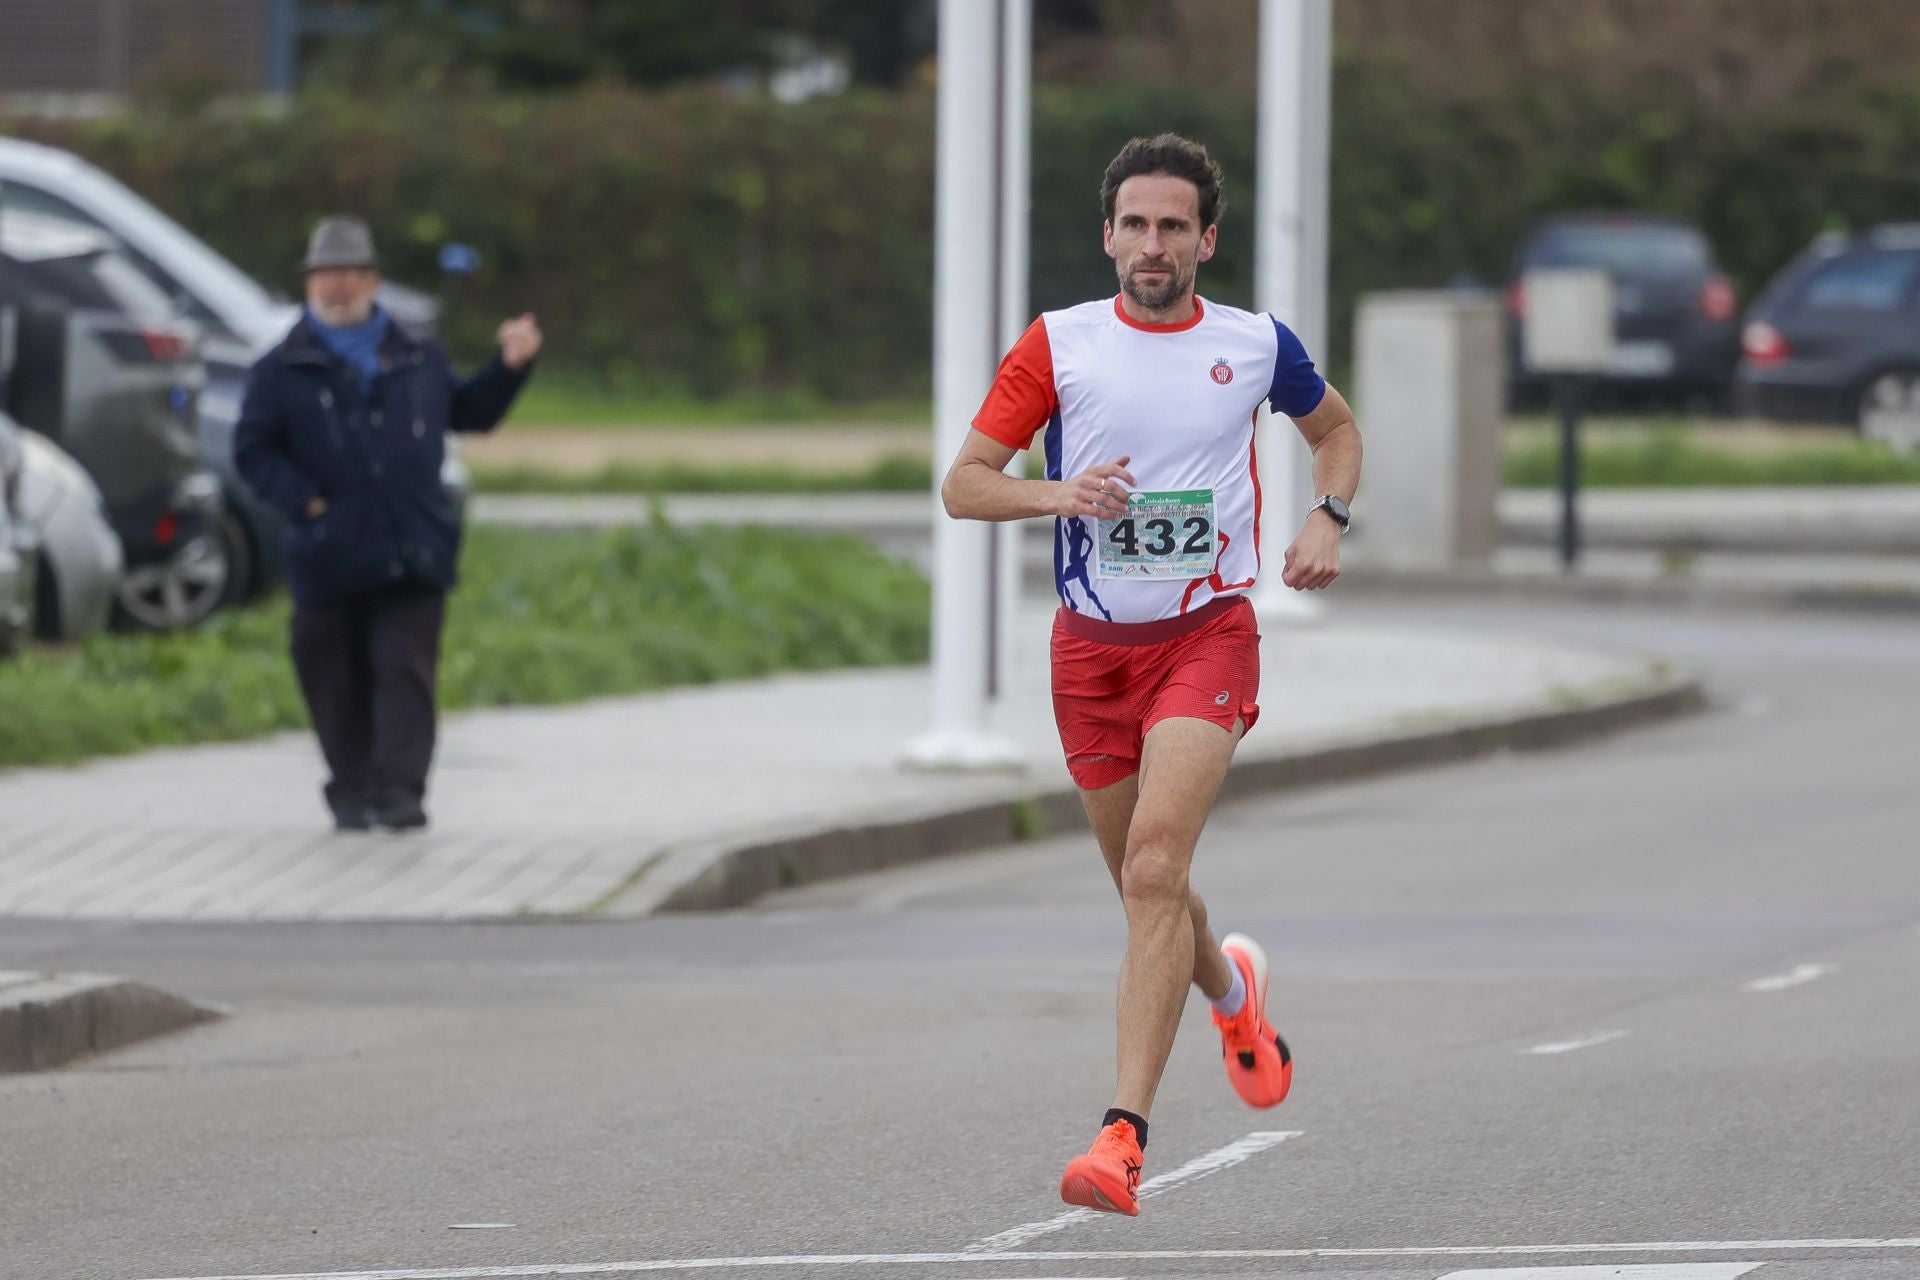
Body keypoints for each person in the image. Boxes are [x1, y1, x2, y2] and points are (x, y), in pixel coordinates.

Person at [939, 134, 1363, 1216]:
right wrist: (1061, 494)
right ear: (1109, 235)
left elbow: (1338, 431)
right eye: (1135, 224)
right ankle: (1233, 992)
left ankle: (1120, 1139)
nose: (1153, 244)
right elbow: (965, 485)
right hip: (1089, 652)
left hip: (1204, 636)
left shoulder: (1257, 343)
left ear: (1207, 240)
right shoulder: (1060, 344)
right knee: (1147, 881)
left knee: (1152, 871)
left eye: (1175, 225)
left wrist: (1328, 512)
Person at [234, 215, 542, 833]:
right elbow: (253, 452)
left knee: (404, 668)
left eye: (350, 274)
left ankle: (400, 791)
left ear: (374, 281)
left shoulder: (417, 353)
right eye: (325, 275)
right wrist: (306, 502)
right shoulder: (281, 369)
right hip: (329, 552)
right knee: (331, 670)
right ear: (309, 284)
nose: (337, 286)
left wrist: (509, 368)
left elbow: (466, 412)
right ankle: (351, 787)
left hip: (412, 546)